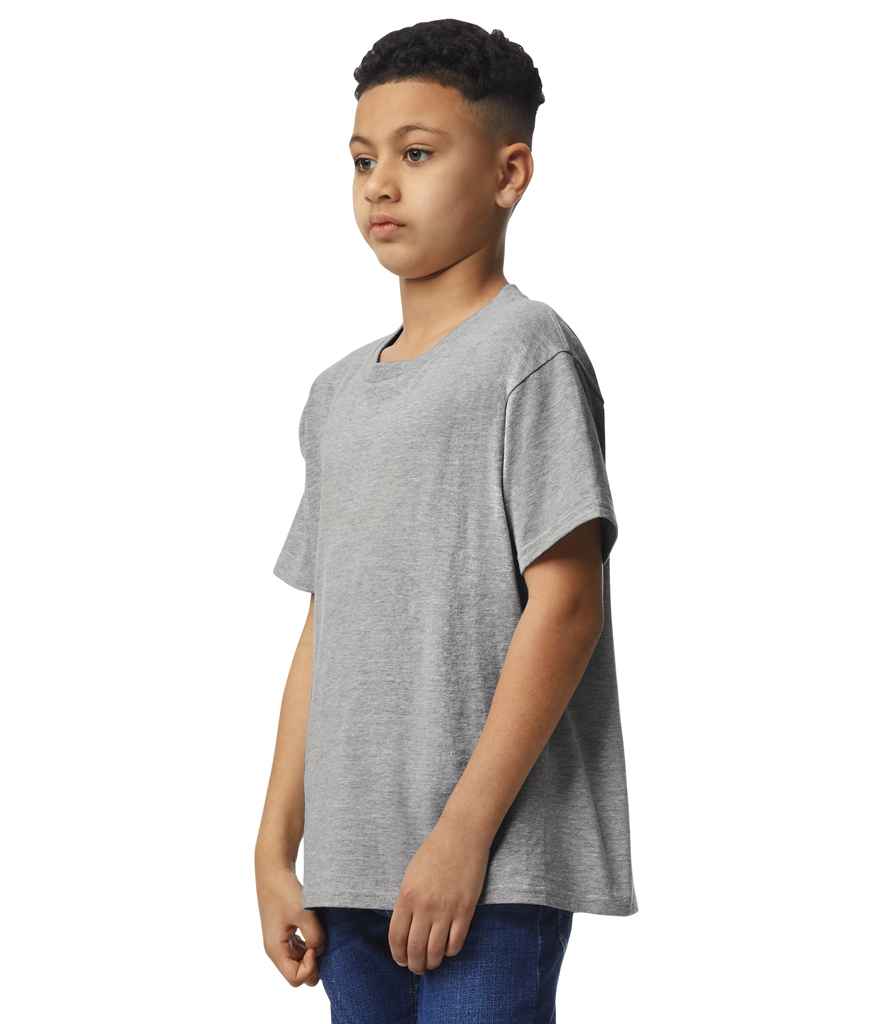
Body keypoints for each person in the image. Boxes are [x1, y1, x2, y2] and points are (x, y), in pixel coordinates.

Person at [255, 18, 638, 1021]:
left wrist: (462, 836)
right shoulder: (336, 395)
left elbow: (566, 605)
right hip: (350, 869)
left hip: (491, 866)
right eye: (362, 160)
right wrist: (274, 846)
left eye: (417, 154)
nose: (380, 184)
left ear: (509, 174)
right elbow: (325, 628)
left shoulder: (528, 354)